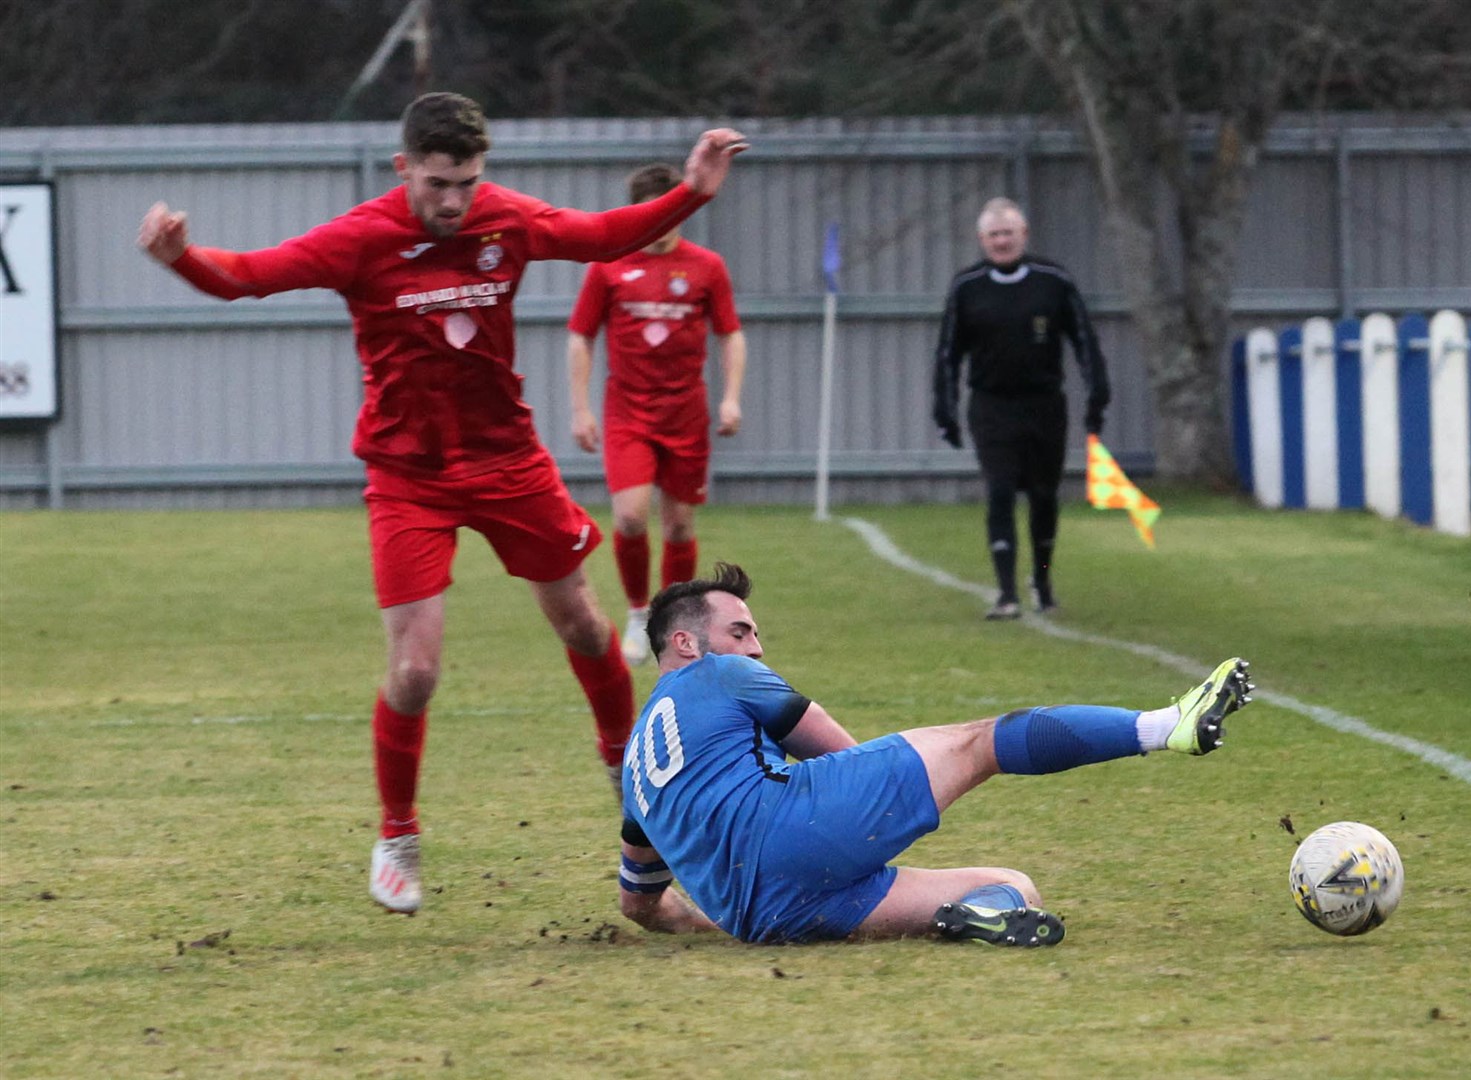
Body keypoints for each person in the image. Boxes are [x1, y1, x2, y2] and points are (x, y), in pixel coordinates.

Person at [135, 92, 747, 915]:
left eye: (465, 182)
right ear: (403, 169)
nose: (453, 202)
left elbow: (602, 236)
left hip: (508, 463)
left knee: (587, 627)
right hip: (407, 475)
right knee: (416, 669)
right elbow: (251, 277)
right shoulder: (362, 238)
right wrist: (182, 257)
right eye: (436, 184)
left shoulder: (506, 220)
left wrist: (694, 192)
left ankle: (625, 768)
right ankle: (398, 833)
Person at [614, 563, 1252, 946]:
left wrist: (712, 926)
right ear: (687, 643)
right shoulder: (722, 675)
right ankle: (1168, 724)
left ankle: (973, 921)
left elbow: (638, 905)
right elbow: (844, 754)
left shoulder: (636, 768)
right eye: (740, 631)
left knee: (1011, 888)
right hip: (799, 832)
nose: (756, 647)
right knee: (978, 743)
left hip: (763, 915)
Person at [567, 162, 746, 666]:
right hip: (628, 412)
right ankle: (638, 613)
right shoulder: (609, 265)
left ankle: (674, 624)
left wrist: (731, 396)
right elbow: (580, 335)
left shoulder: (707, 266)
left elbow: (730, 333)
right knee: (628, 516)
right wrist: (580, 409)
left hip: (685, 413)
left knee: (681, 528)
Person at [932, 197, 1111, 620]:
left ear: (1023, 235)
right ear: (982, 240)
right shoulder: (967, 287)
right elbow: (947, 354)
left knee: (1045, 497)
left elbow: (1085, 341)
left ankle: (1043, 582)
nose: (1001, 241)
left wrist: (1097, 394)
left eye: (1008, 233)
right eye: (993, 235)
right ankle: (1007, 592)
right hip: (992, 406)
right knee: (999, 492)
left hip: (1045, 405)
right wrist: (946, 409)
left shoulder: (1053, 281)